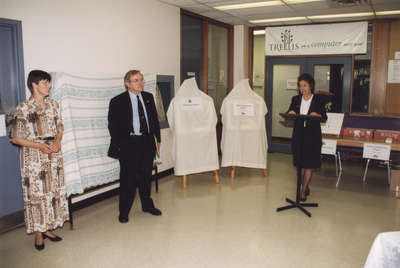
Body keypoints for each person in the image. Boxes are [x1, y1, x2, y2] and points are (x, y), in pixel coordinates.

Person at [10, 70, 69, 251]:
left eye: (49, 82)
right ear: (34, 85)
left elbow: (60, 126)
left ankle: (48, 229)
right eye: (45, 82)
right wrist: (39, 146)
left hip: (53, 155)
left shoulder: (53, 105)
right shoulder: (23, 108)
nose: (49, 86)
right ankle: (38, 233)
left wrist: (58, 142)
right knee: (37, 197)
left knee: (53, 193)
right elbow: (15, 138)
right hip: (34, 158)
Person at [108, 70, 162, 223]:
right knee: (128, 180)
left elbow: (154, 121)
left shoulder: (148, 97)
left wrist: (158, 140)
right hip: (129, 144)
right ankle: (124, 211)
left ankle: (147, 205)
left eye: (141, 80)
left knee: (146, 177)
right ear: (127, 84)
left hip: (147, 142)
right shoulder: (117, 101)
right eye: (136, 80)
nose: (141, 83)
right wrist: (120, 146)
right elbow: (113, 127)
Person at [287, 73, 327, 201]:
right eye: (300, 86)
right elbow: (290, 113)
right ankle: (303, 186)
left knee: (308, 165)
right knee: (300, 165)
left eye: (305, 85)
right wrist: (291, 113)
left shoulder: (318, 99)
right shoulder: (295, 99)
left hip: (312, 136)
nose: (302, 88)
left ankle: (303, 191)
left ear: (310, 86)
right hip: (299, 135)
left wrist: (317, 115)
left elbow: (324, 117)